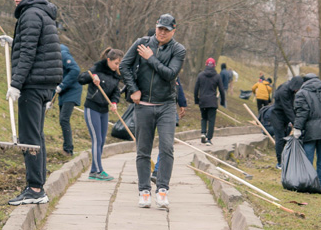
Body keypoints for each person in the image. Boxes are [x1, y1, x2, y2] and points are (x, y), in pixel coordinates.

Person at [3, 0, 62, 205]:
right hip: (46, 83)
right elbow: (37, 45)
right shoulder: (43, 12)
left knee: (29, 137)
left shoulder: (30, 14)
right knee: (37, 136)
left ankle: (35, 189)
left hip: (33, 84)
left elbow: (28, 53)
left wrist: (16, 84)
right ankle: (38, 187)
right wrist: (13, 41)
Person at [121, 13, 186, 209]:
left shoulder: (178, 50)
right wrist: (134, 90)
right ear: (156, 27)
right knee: (143, 150)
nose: (162, 32)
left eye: (167, 30)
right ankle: (144, 191)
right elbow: (124, 65)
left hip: (166, 105)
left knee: (167, 147)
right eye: (160, 28)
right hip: (144, 106)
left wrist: (150, 58)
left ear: (173, 31)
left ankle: (163, 190)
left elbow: (170, 74)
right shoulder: (141, 43)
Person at [81, 47, 123, 181]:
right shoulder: (97, 68)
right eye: (116, 63)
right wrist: (92, 76)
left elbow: (116, 91)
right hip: (92, 108)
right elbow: (80, 78)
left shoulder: (115, 74)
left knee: (102, 141)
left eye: (119, 64)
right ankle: (99, 171)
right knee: (96, 139)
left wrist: (114, 102)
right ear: (108, 60)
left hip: (104, 110)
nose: (117, 66)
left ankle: (94, 171)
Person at [52, 43, 83, 155]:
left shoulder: (63, 54)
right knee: (63, 120)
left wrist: (63, 85)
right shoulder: (53, 58)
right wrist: (49, 100)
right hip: (63, 92)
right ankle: (67, 148)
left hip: (72, 90)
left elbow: (75, 69)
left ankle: (68, 149)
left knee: (64, 119)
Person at [271, 75, 305, 167]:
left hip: (285, 116)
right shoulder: (283, 91)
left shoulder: (291, 90)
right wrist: (296, 123)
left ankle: (286, 159)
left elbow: (292, 107)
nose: (297, 91)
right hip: (277, 115)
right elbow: (288, 109)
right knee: (280, 139)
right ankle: (280, 163)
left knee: (286, 138)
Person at [194, 58, 225, 145]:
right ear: (214, 65)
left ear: (206, 64)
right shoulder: (217, 76)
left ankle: (203, 133)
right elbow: (222, 90)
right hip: (212, 102)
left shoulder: (200, 75)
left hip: (203, 101)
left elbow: (196, 89)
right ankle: (209, 139)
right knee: (211, 120)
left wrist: (196, 100)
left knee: (204, 118)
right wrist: (222, 101)